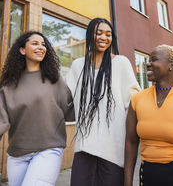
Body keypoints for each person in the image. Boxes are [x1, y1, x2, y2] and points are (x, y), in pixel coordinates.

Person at [66, 17, 140, 186]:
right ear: (90, 35)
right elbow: (65, 97)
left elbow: (135, 98)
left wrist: (168, 92)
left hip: (113, 146)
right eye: (98, 33)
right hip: (84, 145)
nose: (103, 37)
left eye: (108, 34)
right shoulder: (78, 65)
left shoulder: (121, 63)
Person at [0, 31, 75, 186]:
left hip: (49, 149)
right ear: (22, 50)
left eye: (43, 44)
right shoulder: (8, 85)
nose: (41, 47)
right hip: (17, 154)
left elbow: (71, 111)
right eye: (35, 43)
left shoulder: (55, 79)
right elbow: (2, 122)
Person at [124, 44, 173, 186]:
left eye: (154, 59)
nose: (148, 64)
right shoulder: (137, 99)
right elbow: (131, 142)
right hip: (148, 178)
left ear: (171, 66)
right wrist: (127, 183)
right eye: (148, 60)